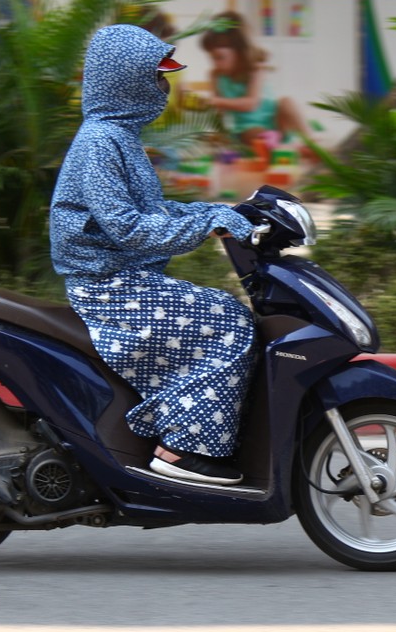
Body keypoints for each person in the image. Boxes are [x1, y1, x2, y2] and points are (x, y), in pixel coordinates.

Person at [50, 24, 257, 486]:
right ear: (127, 82)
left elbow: (153, 211)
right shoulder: (100, 143)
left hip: (126, 279)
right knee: (228, 323)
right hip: (108, 287)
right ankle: (181, 447)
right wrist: (205, 224)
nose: (164, 89)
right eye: (156, 78)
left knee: (223, 313)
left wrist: (218, 211)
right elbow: (128, 227)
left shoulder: (118, 137)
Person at [199, 10, 310, 150]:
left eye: (219, 57)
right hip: (249, 128)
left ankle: (311, 141)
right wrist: (220, 133)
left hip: (276, 121)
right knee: (250, 134)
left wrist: (216, 100)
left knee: (287, 102)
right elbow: (219, 111)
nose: (215, 63)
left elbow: (251, 103)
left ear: (240, 52)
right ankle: (274, 146)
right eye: (211, 58)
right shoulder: (215, 75)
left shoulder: (256, 70)